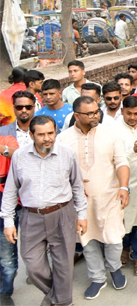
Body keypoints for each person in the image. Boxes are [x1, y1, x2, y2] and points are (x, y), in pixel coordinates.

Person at [1, 115, 88, 306]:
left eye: (51, 133)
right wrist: (8, 221)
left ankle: (62, 302)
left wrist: (82, 215)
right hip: (31, 216)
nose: (47, 138)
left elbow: (77, 186)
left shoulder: (67, 153)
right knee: (32, 266)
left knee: (63, 264)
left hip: (62, 214)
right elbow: (10, 190)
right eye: (41, 134)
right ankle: (57, 296)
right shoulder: (19, 156)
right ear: (32, 135)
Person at [57, 96, 130, 299]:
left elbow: (121, 162)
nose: (95, 115)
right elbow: (59, 170)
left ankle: (114, 268)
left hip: (110, 196)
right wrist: (72, 188)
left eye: (97, 111)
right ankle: (98, 278)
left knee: (114, 239)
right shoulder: (63, 139)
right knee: (87, 240)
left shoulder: (110, 133)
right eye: (89, 113)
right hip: (80, 201)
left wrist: (124, 187)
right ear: (76, 115)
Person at [116, 96, 137, 276]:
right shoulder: (114, 131)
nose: (132, 117)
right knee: (124, 222)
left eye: (136, 113)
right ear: (122, 111)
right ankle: (124, 249)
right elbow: (113, 159)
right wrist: (132, 151)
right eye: (128, 113)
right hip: (124, 186)